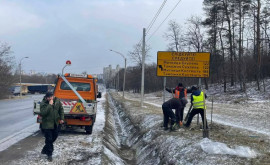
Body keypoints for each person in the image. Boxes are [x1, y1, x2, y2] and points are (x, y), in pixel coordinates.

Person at [40, 92, 64, 162]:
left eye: (51, 97)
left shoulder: (57, 101)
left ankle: (45, 149)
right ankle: (49, 154)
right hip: (47, 124)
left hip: (55, 123)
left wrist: (62, 118)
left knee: (54, 136)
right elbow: (43, 113)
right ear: (46, 98)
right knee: (49, 139)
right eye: (49, 97)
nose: (50, 98)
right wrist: (50, 105)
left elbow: (61, 110)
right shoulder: (43, 103)